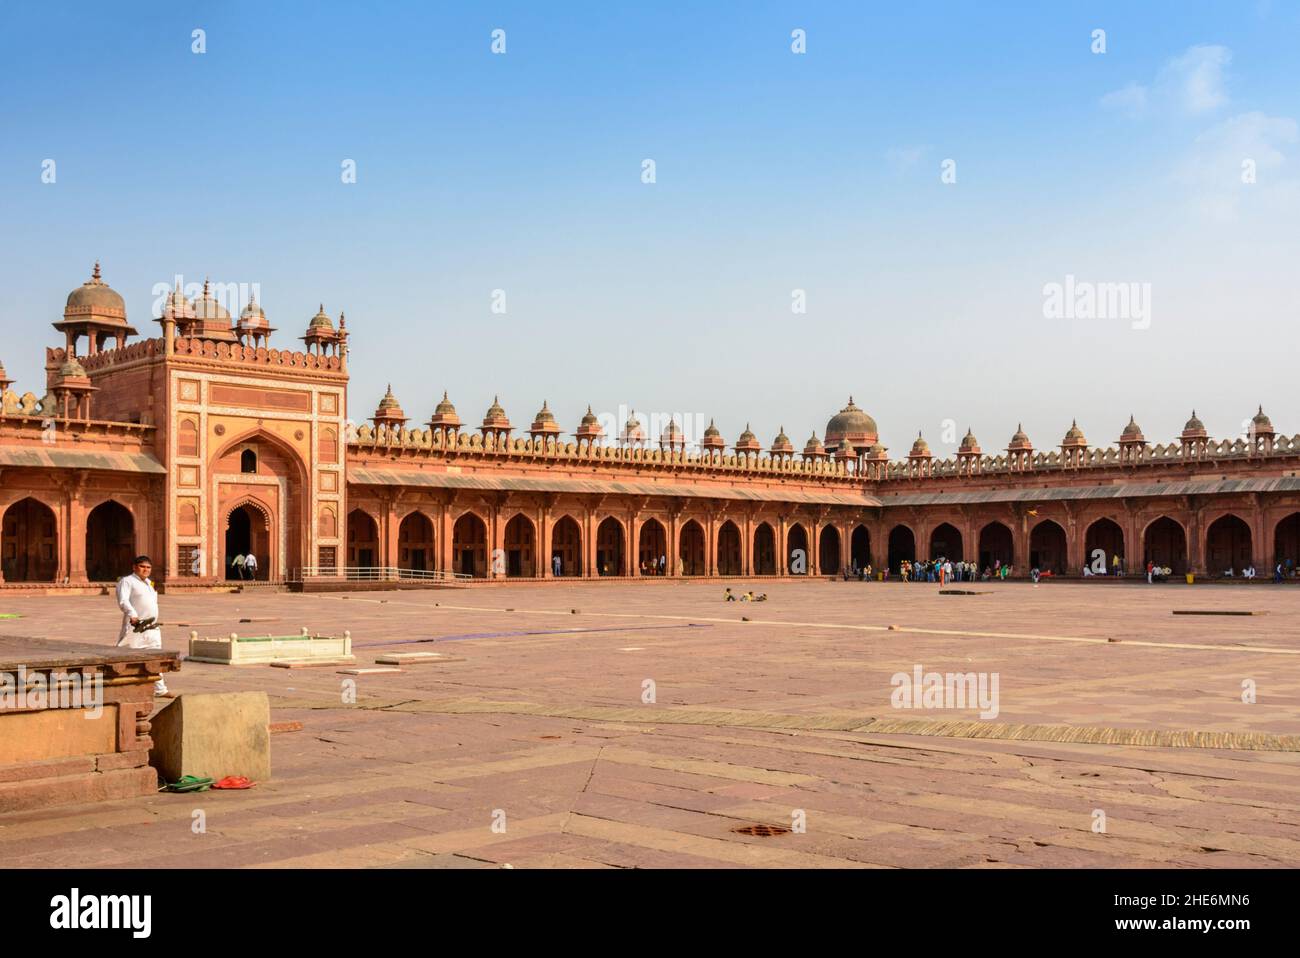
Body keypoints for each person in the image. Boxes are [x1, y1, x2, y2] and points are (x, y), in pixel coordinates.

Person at [116, 555, 169, 697]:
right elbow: (123, 601)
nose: (145, 570)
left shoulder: (149, 583)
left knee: (156, 658)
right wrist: (133, 614)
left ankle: (160, 689)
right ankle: (119, 685)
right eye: (142, 566)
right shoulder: (127, 581)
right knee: (126, 657)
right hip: (135, 626)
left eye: (148, 567)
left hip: (151, 627)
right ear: (134, 567)